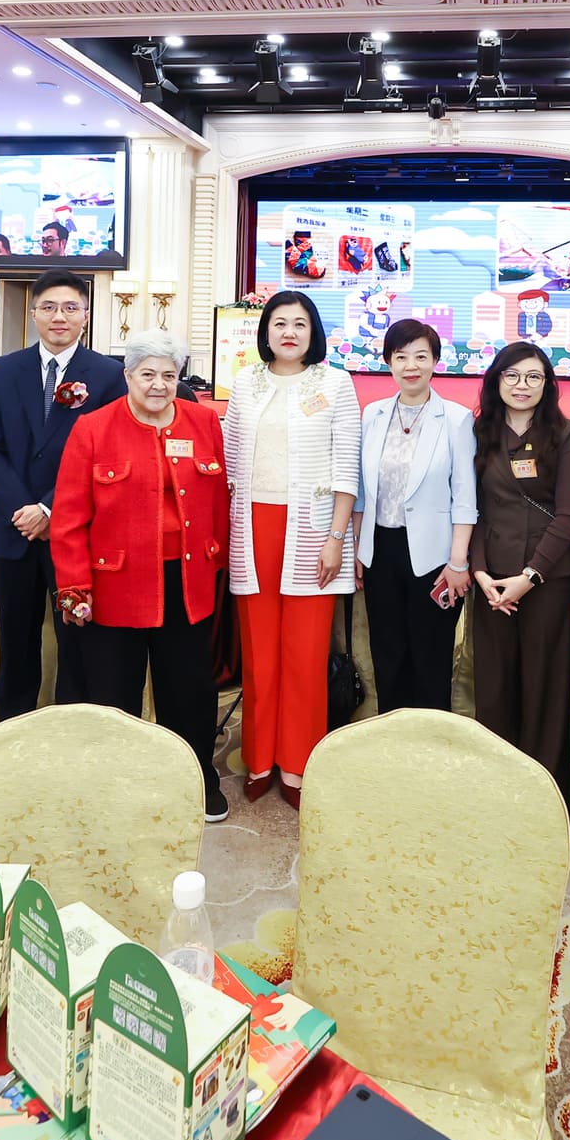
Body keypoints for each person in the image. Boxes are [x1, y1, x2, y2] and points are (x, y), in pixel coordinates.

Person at [53, 330, 231, 821]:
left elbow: (218, 500)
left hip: (187, 583)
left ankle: (196, 778)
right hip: (114, 586)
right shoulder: (93, 428)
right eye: (147, 374)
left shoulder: (202, 421)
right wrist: (74, 589)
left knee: (189, 690)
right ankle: (117, 785)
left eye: (169, 375)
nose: (158, 385)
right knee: (114, 693)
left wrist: (219, 566)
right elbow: (68, 518)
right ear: (128, 376)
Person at [222, 290, 360, 808]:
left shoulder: (335, 383)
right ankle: (259, 759)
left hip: (313, 532)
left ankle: (297, 765)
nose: (289, 332)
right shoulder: (246, 382)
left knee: (304, 656)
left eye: (300, 323)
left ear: (313, 331)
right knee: (259, 656)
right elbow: (229, 462)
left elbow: (347, 466)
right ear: (265, 331)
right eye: (279, 322)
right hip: (252, 527)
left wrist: (336, 539)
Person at [0, 271, 125, 718]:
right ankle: (15, 728)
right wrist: (23, 508)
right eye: (49, 307)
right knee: (15, 640)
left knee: (76, 640)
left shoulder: (109, 375)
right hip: (13, 530)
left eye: (70, 307)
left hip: (75, 532)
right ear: (34, 313)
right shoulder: (3, 370)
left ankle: (72, 729)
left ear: (85, 315)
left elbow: (107, 454)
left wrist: (49, 507)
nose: (60, 316)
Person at [471, 342, 570, 777]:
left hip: (549, 576)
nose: (522, 385)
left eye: (534, 376)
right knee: (494, 684)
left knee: (545, 685)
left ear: (547, 384)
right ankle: (495, 780)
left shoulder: (566, 435)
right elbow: (472, 507)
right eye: (512, 375)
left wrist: (530, 576)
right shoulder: (480, 432)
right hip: (492, 577)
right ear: (497, 380)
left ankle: (543, 784)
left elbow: (569, 515)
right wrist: (479, 571)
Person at [353, 319, 476, 711]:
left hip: (435, 557)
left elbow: (465, 496)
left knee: (431, 658)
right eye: (401, 356)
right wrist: (357, 548)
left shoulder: (456, 419)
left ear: (435, 361)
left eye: (421, 356)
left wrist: (458, 561)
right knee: (387, 655)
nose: (411, 365)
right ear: (388, 362)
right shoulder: (373, 414)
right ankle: (393, 736)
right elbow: (362, 492)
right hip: (380, 550)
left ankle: (432, 739)